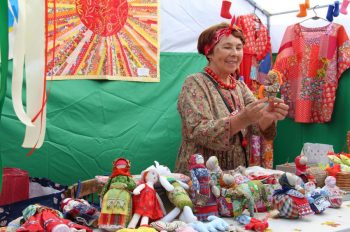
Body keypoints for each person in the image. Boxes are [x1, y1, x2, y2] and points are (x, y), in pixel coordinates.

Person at [175, 22, 289, 174]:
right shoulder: (194, 83)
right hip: (200, 177)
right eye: (227, 47)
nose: (235, 53)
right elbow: (197, 130)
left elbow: (256, 125)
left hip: (234, 175)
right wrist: (242, 118)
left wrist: (266, 117)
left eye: (239, 47)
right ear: (209, 52)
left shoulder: (240, 87)